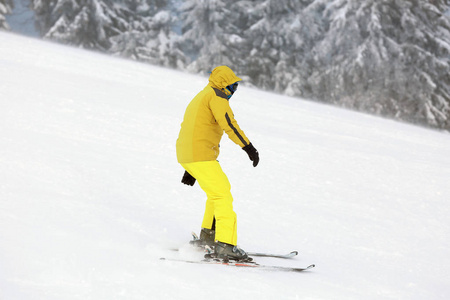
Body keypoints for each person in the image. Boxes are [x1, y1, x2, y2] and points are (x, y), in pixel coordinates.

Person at [176, 66, 259, 261]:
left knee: (216, 193)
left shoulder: (202, 95)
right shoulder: (217, 97)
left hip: (191, 154)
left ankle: (209, 237)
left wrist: (190, 166)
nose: (235, 90)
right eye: (233, 86)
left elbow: (193, 126)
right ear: (224, 85)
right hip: (200, 156)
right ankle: (225, 245)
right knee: (223, 195)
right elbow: (229, 125)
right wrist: (248, 147)